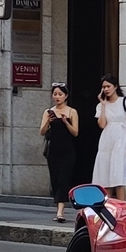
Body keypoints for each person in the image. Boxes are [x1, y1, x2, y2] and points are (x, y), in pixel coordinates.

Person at [41, 82, 83, 220]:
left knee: (63, 179)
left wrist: (66, 122)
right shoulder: (48, 112)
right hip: (53, 151)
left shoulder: (72, 111)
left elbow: (75, 132)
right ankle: (58, 207)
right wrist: (48, 121)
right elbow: (41, 131)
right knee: (55, 179)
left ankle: (60, 212)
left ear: (66, 96)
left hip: (67, 151)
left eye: (60, 94)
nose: (57, 97)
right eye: (55, 94)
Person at [93, 79, 126, 197]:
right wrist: (103, 106)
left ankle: (121, 209)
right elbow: (102, 124)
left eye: (108, 86)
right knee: (105, 177)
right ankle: (107, 209)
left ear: (115, 86)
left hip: (121, 139)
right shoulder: (100, 105)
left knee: (119, 177)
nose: (106, 89)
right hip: (106, 140)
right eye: (103, 87)